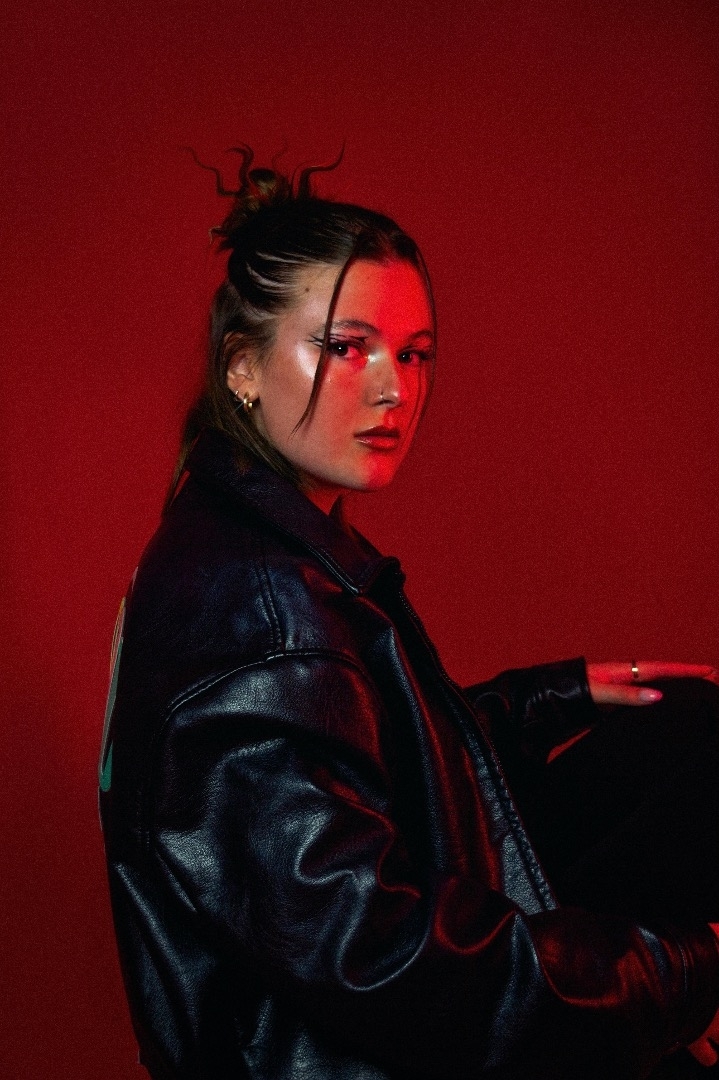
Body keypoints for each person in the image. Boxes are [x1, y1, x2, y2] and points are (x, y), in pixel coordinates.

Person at [99, 148, 719, 1080]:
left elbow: (351, 766)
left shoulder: (248, 546)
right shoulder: (258, 609)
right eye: (345, 348)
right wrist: (683, 972)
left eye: (414, 353)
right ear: (243, 368)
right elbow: (379, 956)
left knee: (687, 734)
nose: (394, 389)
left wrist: (547, 698)